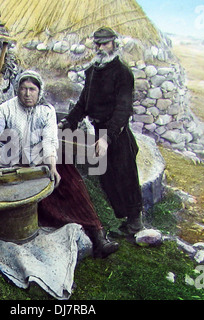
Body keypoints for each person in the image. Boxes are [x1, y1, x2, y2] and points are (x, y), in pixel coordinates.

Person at [0, 69, 119, 258]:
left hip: (43, 160)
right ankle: (62, 225)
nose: (27, 94)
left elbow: (50, 141)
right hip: (17, 164)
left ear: (39, 91)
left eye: (32, 89)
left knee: (71, 183)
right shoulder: (6, 109)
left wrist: (52, 166)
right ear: (17, 90)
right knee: (41, 204)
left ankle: (98, 235)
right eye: (23, 89)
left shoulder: (47, 111)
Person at [58, 27, 144, 236]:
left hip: (117, 133)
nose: (100, 47)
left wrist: (107, 138)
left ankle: (135, 223)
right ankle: (124, 222)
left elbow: (123, 109)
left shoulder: (122, 73)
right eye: (97, 43)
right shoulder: (92, 71)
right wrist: (68, 122)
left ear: (114, 44)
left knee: (126, 175)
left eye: (105, 43)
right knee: (107, 177)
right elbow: (83, 104)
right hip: (99, 131)